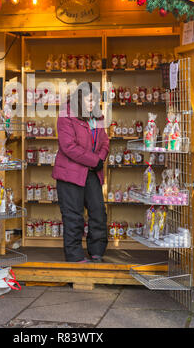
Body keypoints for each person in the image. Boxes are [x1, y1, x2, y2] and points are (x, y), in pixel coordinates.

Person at [52, 82, 109, 263]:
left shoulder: (97, 117)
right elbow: (68, 146)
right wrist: (94, 161)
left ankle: (97, 251)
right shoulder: (66, 114)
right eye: (89, 100)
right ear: (79, 98)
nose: (92, 104)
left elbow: (105, 142)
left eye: (95, 100)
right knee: (73, 216)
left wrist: (100, 158)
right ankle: (75, 256)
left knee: (98, 212)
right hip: (70, 174)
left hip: (92, 172)